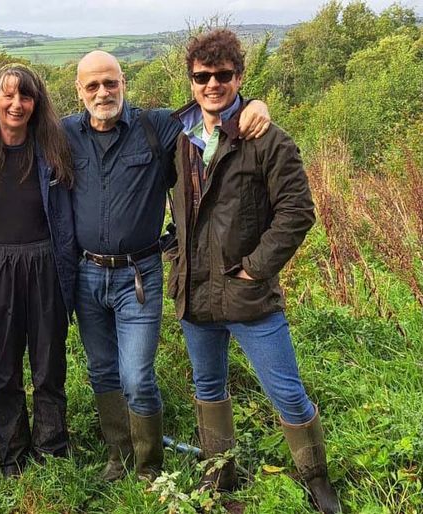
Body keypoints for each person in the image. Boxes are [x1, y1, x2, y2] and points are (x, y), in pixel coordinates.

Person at [62, 50, 271, 482]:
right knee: (102, 369)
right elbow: (12, 129)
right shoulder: (64, 134)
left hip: (138, 275)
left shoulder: (155, 126)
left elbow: (214, 111)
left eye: (111, 83)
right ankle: (118, 458)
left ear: (124, 82)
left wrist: (254, 105)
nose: (103, 92)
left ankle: (147, 465)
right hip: (85, 274)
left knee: (136, 375)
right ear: (78, 91)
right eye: (93, 85)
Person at [167, 29, 340, 513]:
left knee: (286, 391)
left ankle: (317, 480)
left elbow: (297, 212)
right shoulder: (176, 139)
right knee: (207, 388)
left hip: (249, 296)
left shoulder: (268, 139)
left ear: (239, 77)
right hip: (195, 294)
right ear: (192, 80)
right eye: (203, 76)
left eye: (223, 75)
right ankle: (220, 478)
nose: (212, 84)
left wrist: (255, 270)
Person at [0, 63, 76, 477]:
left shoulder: (54, 146)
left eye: (25, 96)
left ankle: (52, 449)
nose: (16, 104)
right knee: (4, 368)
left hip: (46, 262)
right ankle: (12, 454)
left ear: (36, 101)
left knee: (49, 364)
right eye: (7, 95)